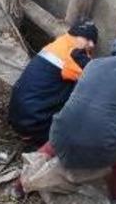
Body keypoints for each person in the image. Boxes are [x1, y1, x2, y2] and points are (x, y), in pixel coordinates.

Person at [32, 39, 116, 204]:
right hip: (98, 145)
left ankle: (21, 183)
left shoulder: (95, 64)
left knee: (57, 140)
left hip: (59, 132)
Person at [7, 19, 99, 148]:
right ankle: (45, 140)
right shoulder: (73, 53)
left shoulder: (58, 45)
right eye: (87, 39)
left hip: (19, 116)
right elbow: (97, 77)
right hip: (34, 123)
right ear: (75, 35)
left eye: (93, 41)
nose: (91, 45)